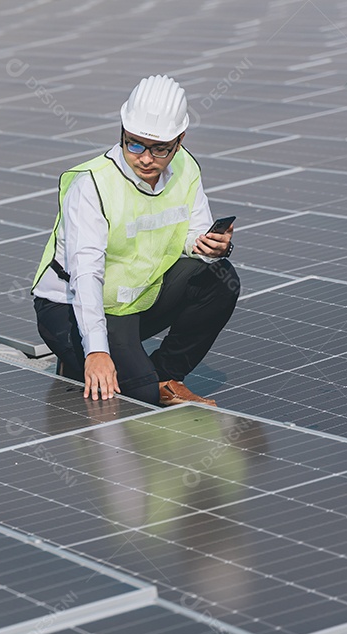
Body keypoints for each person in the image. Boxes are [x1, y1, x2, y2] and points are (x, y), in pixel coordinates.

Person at [32, 74, 239, 407]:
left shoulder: (186, 169)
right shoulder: (93, 184)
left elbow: (190, 238)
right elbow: (86, 273)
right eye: (135, 144)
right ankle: (81, 357)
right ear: (123, 131)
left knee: (220, 278)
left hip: (133, 302)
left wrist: (212, 247)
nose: (145, 158)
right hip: (70, 307)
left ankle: (165, 375)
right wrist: (96, 351)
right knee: (137, 398)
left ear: (180, 140)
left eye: (159, 149)